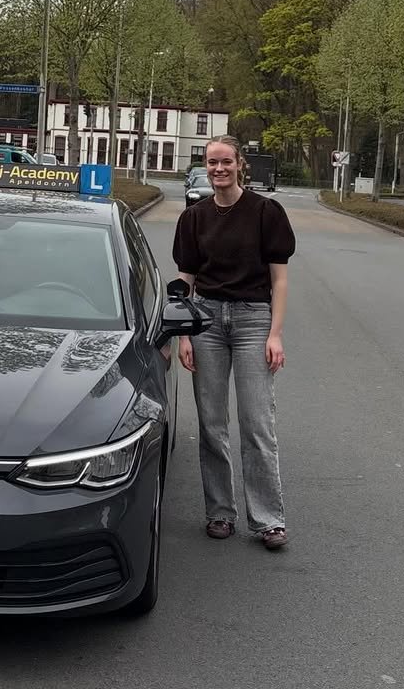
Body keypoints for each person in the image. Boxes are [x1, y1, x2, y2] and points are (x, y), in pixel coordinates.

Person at [172, 135, 296, 550]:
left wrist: (275, 334)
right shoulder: (194, 218)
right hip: (206, 321)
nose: (219, 169)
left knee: (257, 424)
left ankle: (268, 520)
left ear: (241, 164)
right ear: (205, 167)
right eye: (212, 162)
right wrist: (185, 333)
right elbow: (185, 280)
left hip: (252, 320)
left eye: (226, 161)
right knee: (211, 424)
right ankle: (220, 513)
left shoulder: (266, 212)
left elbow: (280, 280)